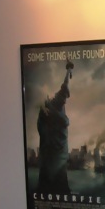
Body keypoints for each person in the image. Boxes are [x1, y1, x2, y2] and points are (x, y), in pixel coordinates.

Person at [36, 60, 74, 194]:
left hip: (52, 154)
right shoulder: (54, 108)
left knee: (50, 182)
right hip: (56, 153)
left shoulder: (49, 110)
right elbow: (65, 86)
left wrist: (68, 71)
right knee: (59, 181)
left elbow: (64, 87)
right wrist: (69, 70)